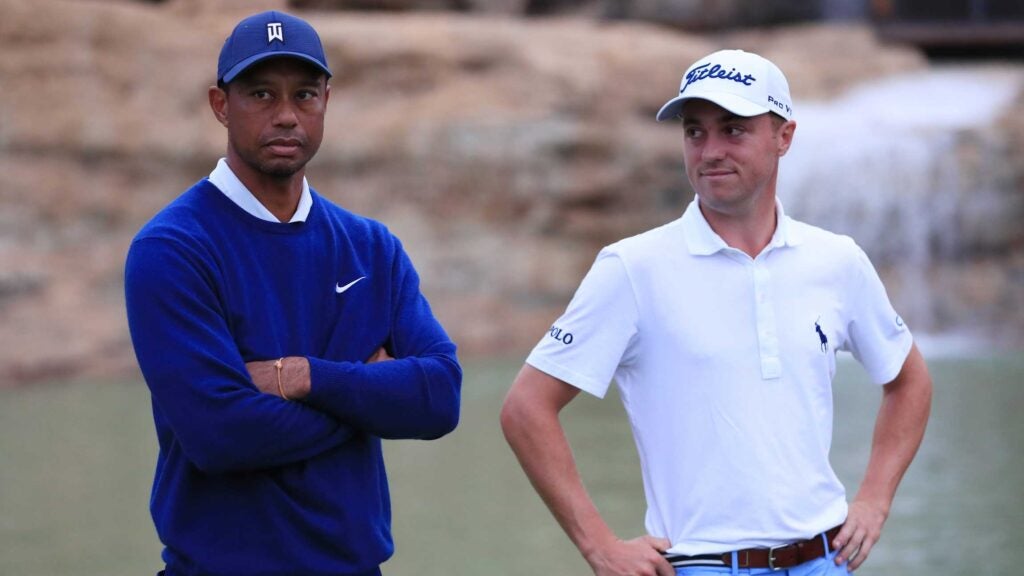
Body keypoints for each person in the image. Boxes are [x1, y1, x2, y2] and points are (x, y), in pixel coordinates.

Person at [500, 49, 932, 576]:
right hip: (700, 565)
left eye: (733, 130)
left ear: (785, 137)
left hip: (824, 560)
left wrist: (874, 500)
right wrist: (599, 545)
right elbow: (526, 407)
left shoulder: (837, 260)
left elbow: (909, 381)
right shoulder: (632, 268)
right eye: (694, 132)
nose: (710, 151)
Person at [124, 11, 461, 576]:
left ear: (326, 99)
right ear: (221, 105)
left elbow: (439, 397)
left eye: (304, 94)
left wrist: (306, 376)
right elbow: (222, 435)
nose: (286, 115)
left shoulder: (371, 247)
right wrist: (371, 393)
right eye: (261, 93)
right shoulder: (172, 248)